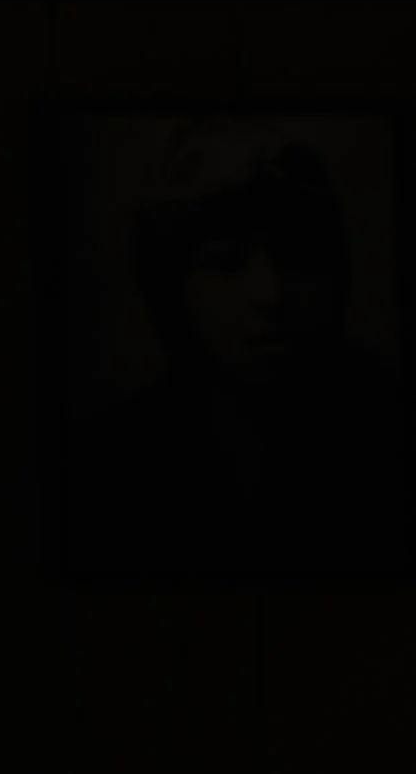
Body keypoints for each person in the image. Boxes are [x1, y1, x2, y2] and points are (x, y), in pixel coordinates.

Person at [70, 123, 410, 575]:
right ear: (172, 292)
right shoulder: (110, 466)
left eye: (298, 256)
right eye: (225, 261)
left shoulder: (391, 427)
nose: (268, 291)